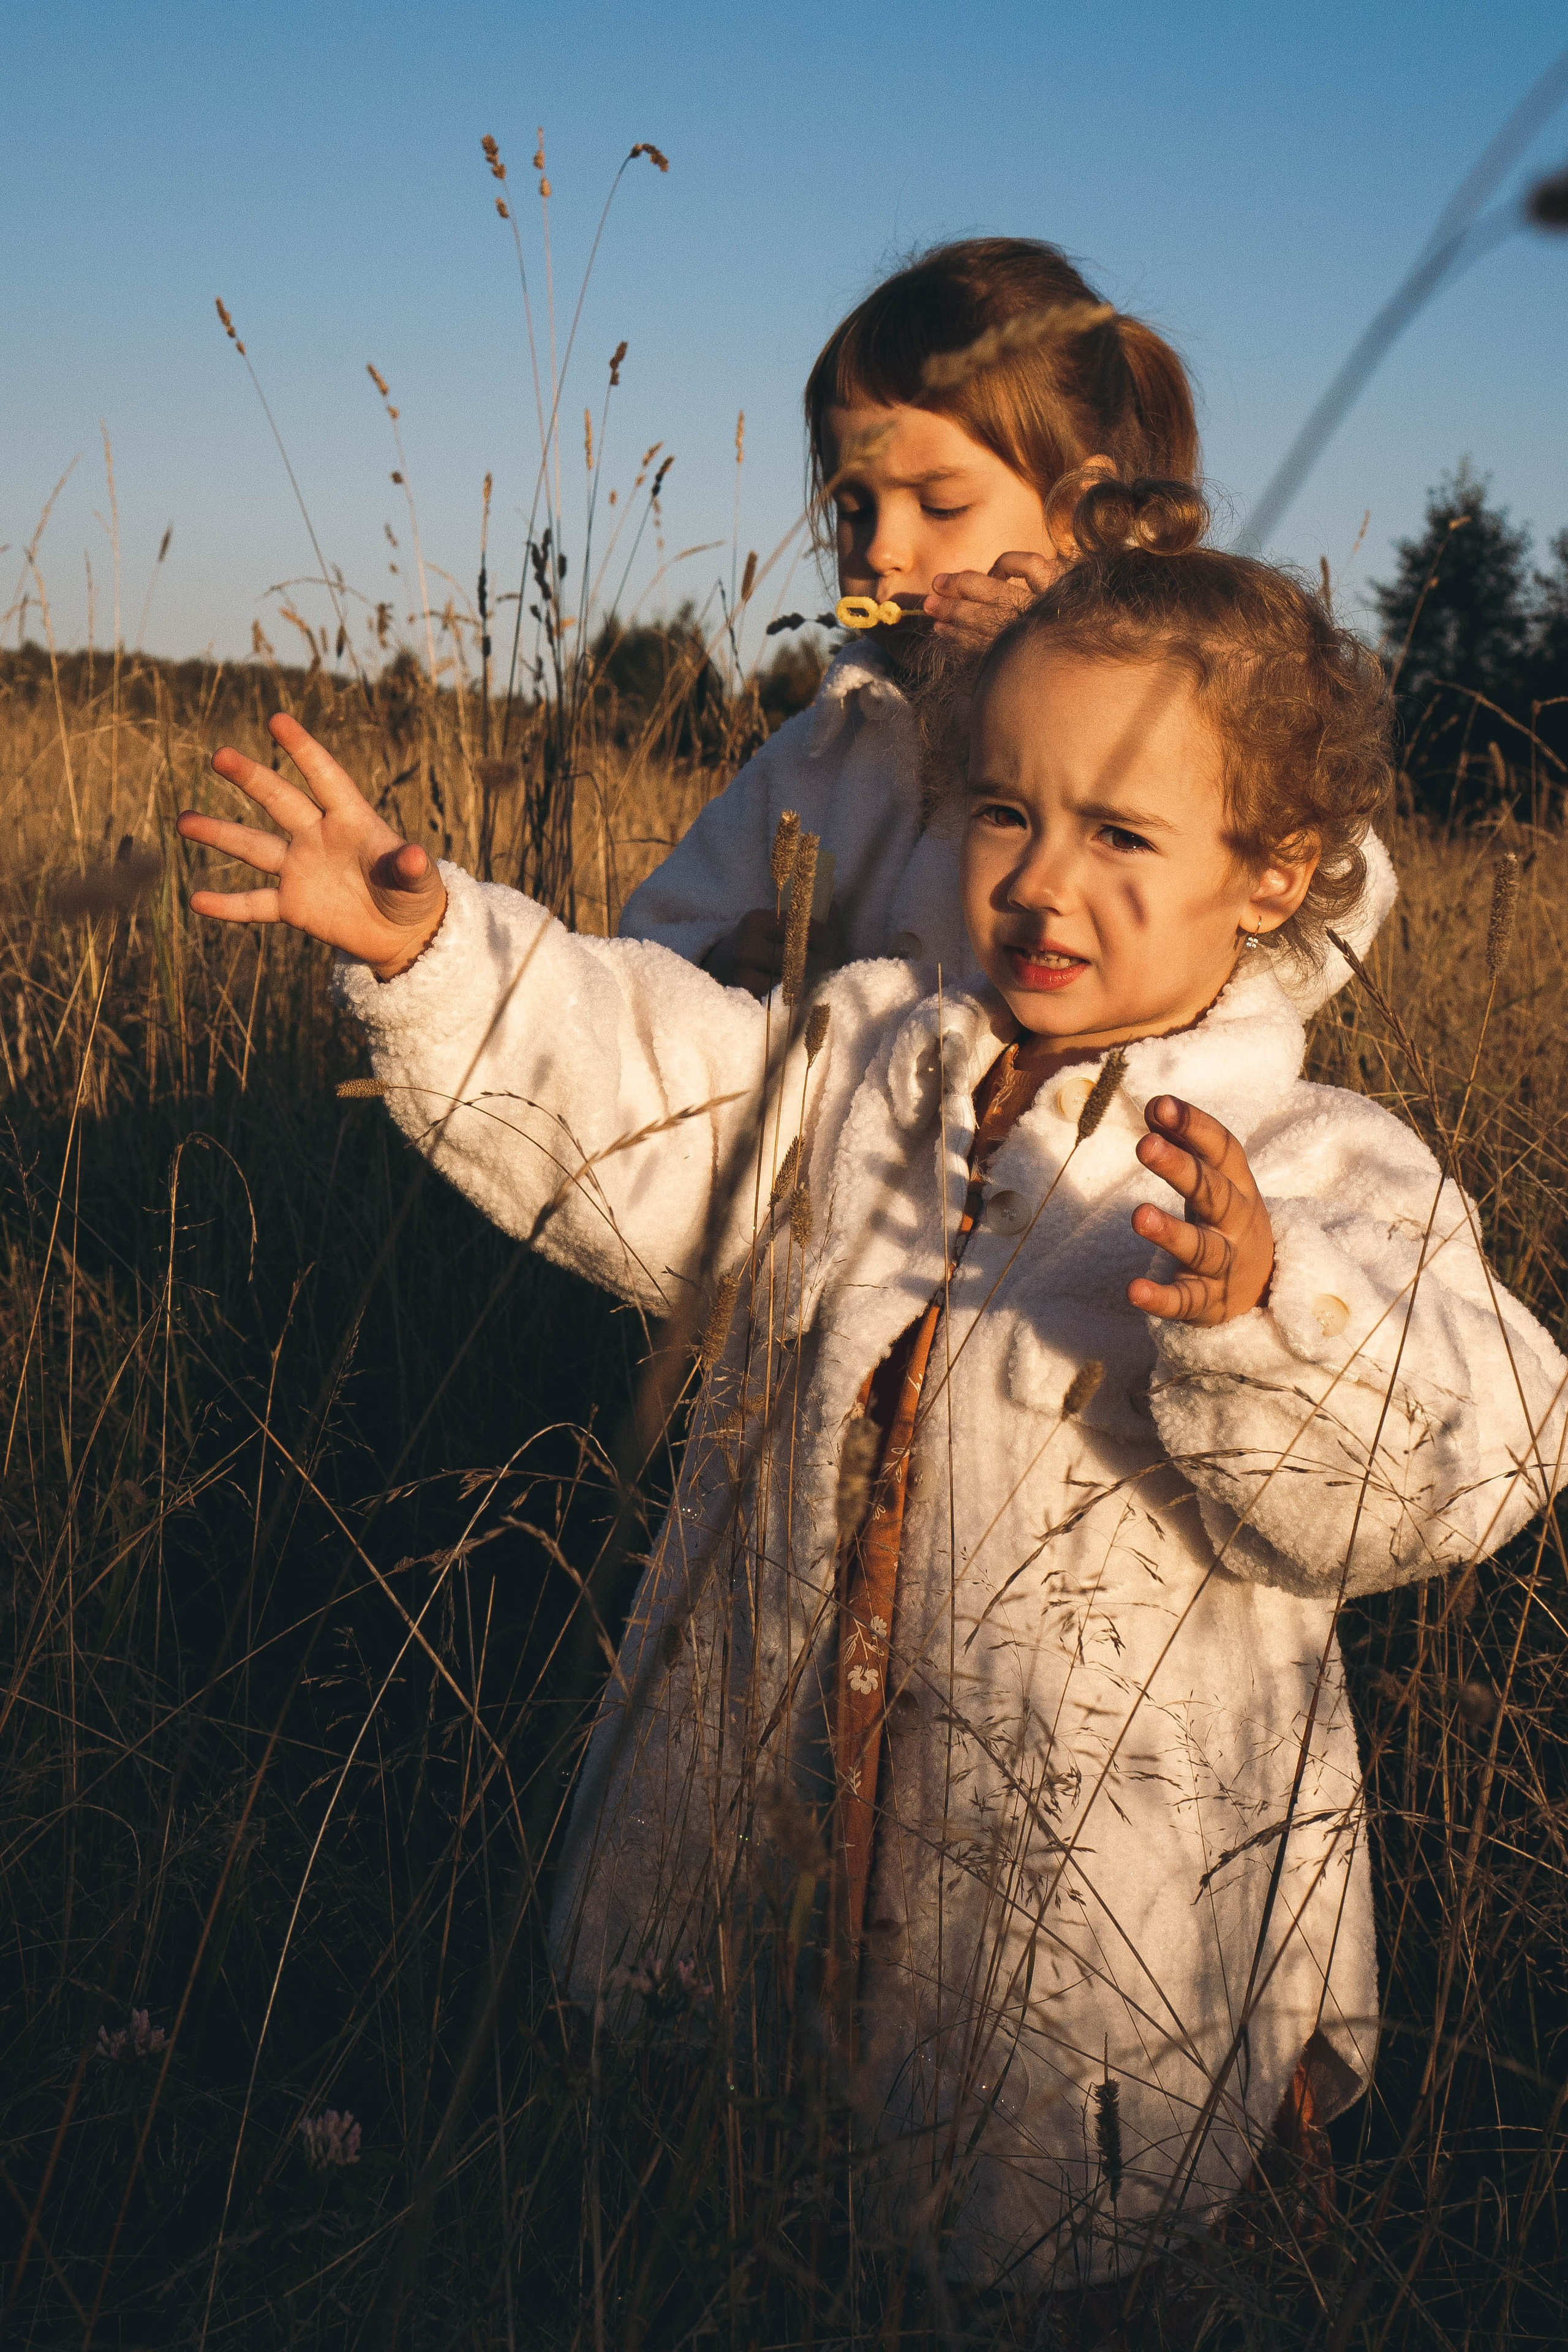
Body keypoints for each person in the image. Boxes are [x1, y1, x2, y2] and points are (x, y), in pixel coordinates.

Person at [175, 478, 1566, 2294]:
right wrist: (439, 955)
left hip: (1092, 1915)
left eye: (1123, 831)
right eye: (1003, 809)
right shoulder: (869, 1068)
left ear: (1273, 867)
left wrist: (1260, 1307)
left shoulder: (1313, 1167)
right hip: (773, 1823)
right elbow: (646, 1090)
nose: (1043, 877)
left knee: (1058, 2215)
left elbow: (1469, 1437)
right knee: (753, 2208)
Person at [617, 236, 1199, 995]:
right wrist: (716, 966)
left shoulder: (1177, 709)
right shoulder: (819, 755)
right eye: (853, 507)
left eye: (940, 504)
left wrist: (1063, 664)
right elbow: (650, 942)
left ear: (1079, 511)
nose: (882, 550)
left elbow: (1331, 892)